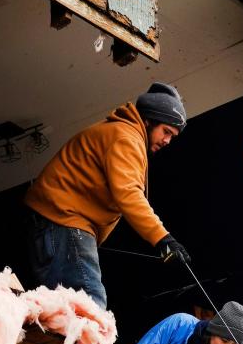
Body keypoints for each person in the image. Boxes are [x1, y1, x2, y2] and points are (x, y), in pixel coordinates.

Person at [24, 82, 192, 309]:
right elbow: (129, 194)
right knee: (90, 307)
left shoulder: (122, 133)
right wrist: (164, 239)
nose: (167, 141)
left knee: (62, 312)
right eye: (166, 131)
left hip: (55, 223)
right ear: (149, 120)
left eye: (173, 136)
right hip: (65, 220)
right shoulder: (127, 138)